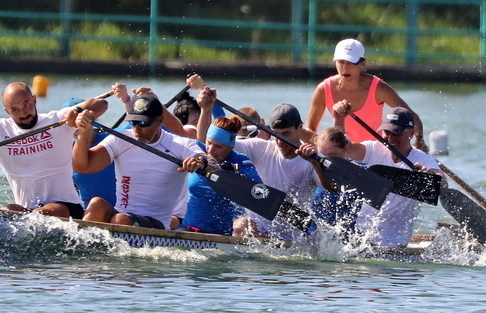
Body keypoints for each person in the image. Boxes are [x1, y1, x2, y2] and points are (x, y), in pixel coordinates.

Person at [0, 82, 108, 218]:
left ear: (34, 100)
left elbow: (101, 104)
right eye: (15, 109)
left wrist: (80, 115)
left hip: (66, 209)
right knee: (5, 212)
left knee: (39, 214)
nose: (23, 113)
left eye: (26, 105)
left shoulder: (57, 120)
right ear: (7, 111)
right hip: (26, 211)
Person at [71, 92, 208, 230]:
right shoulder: (121, 139)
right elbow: (83, 167)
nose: (136, 129)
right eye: (133, 122)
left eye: (143, 123)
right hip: (122, 215)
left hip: (156, 224)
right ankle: (85, 249)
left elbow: (207, 160)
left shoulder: (178, 144)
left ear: (160, 120)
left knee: (121, 219)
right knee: (96, 204)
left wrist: (201, 162)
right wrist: (83, 134)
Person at [326, 105, 446, 248]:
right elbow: (342, 149)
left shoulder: (422, 159)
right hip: (358, 237)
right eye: (387, 132)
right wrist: (339, 119)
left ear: (412, 132)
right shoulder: (373, 149)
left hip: (393, 244)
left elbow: (443, 182)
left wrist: (431, 177)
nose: (390, 138)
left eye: (396, 133)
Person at [233, 102, 336, 239]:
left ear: (299, 127)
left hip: (292, 236)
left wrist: (315, 163)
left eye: (286, 134)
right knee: (241, 225)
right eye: (276, 134)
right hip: (260, 230)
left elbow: (332, 187)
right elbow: (218, 146)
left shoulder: (314, 158)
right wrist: (206, 108)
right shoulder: (260, 148)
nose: (280, 141)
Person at [306, 37, 424, 146]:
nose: (345, 68)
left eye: (351, 62)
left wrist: (419, 139)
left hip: (376, 151)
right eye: (341, 61)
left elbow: (413, 117)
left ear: (363, 63)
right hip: (343, 151)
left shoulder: (379, 89)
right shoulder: (323, 89)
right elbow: (310, 129)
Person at [181, 116, 262, 236]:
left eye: (218, 147)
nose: (211, 150)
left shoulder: (241, 160)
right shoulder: (195, 149)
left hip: (228, 233)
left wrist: (225, 171)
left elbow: (258, 191)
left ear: (230, 147)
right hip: (191, 228)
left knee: (246, 223)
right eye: (209, 143)